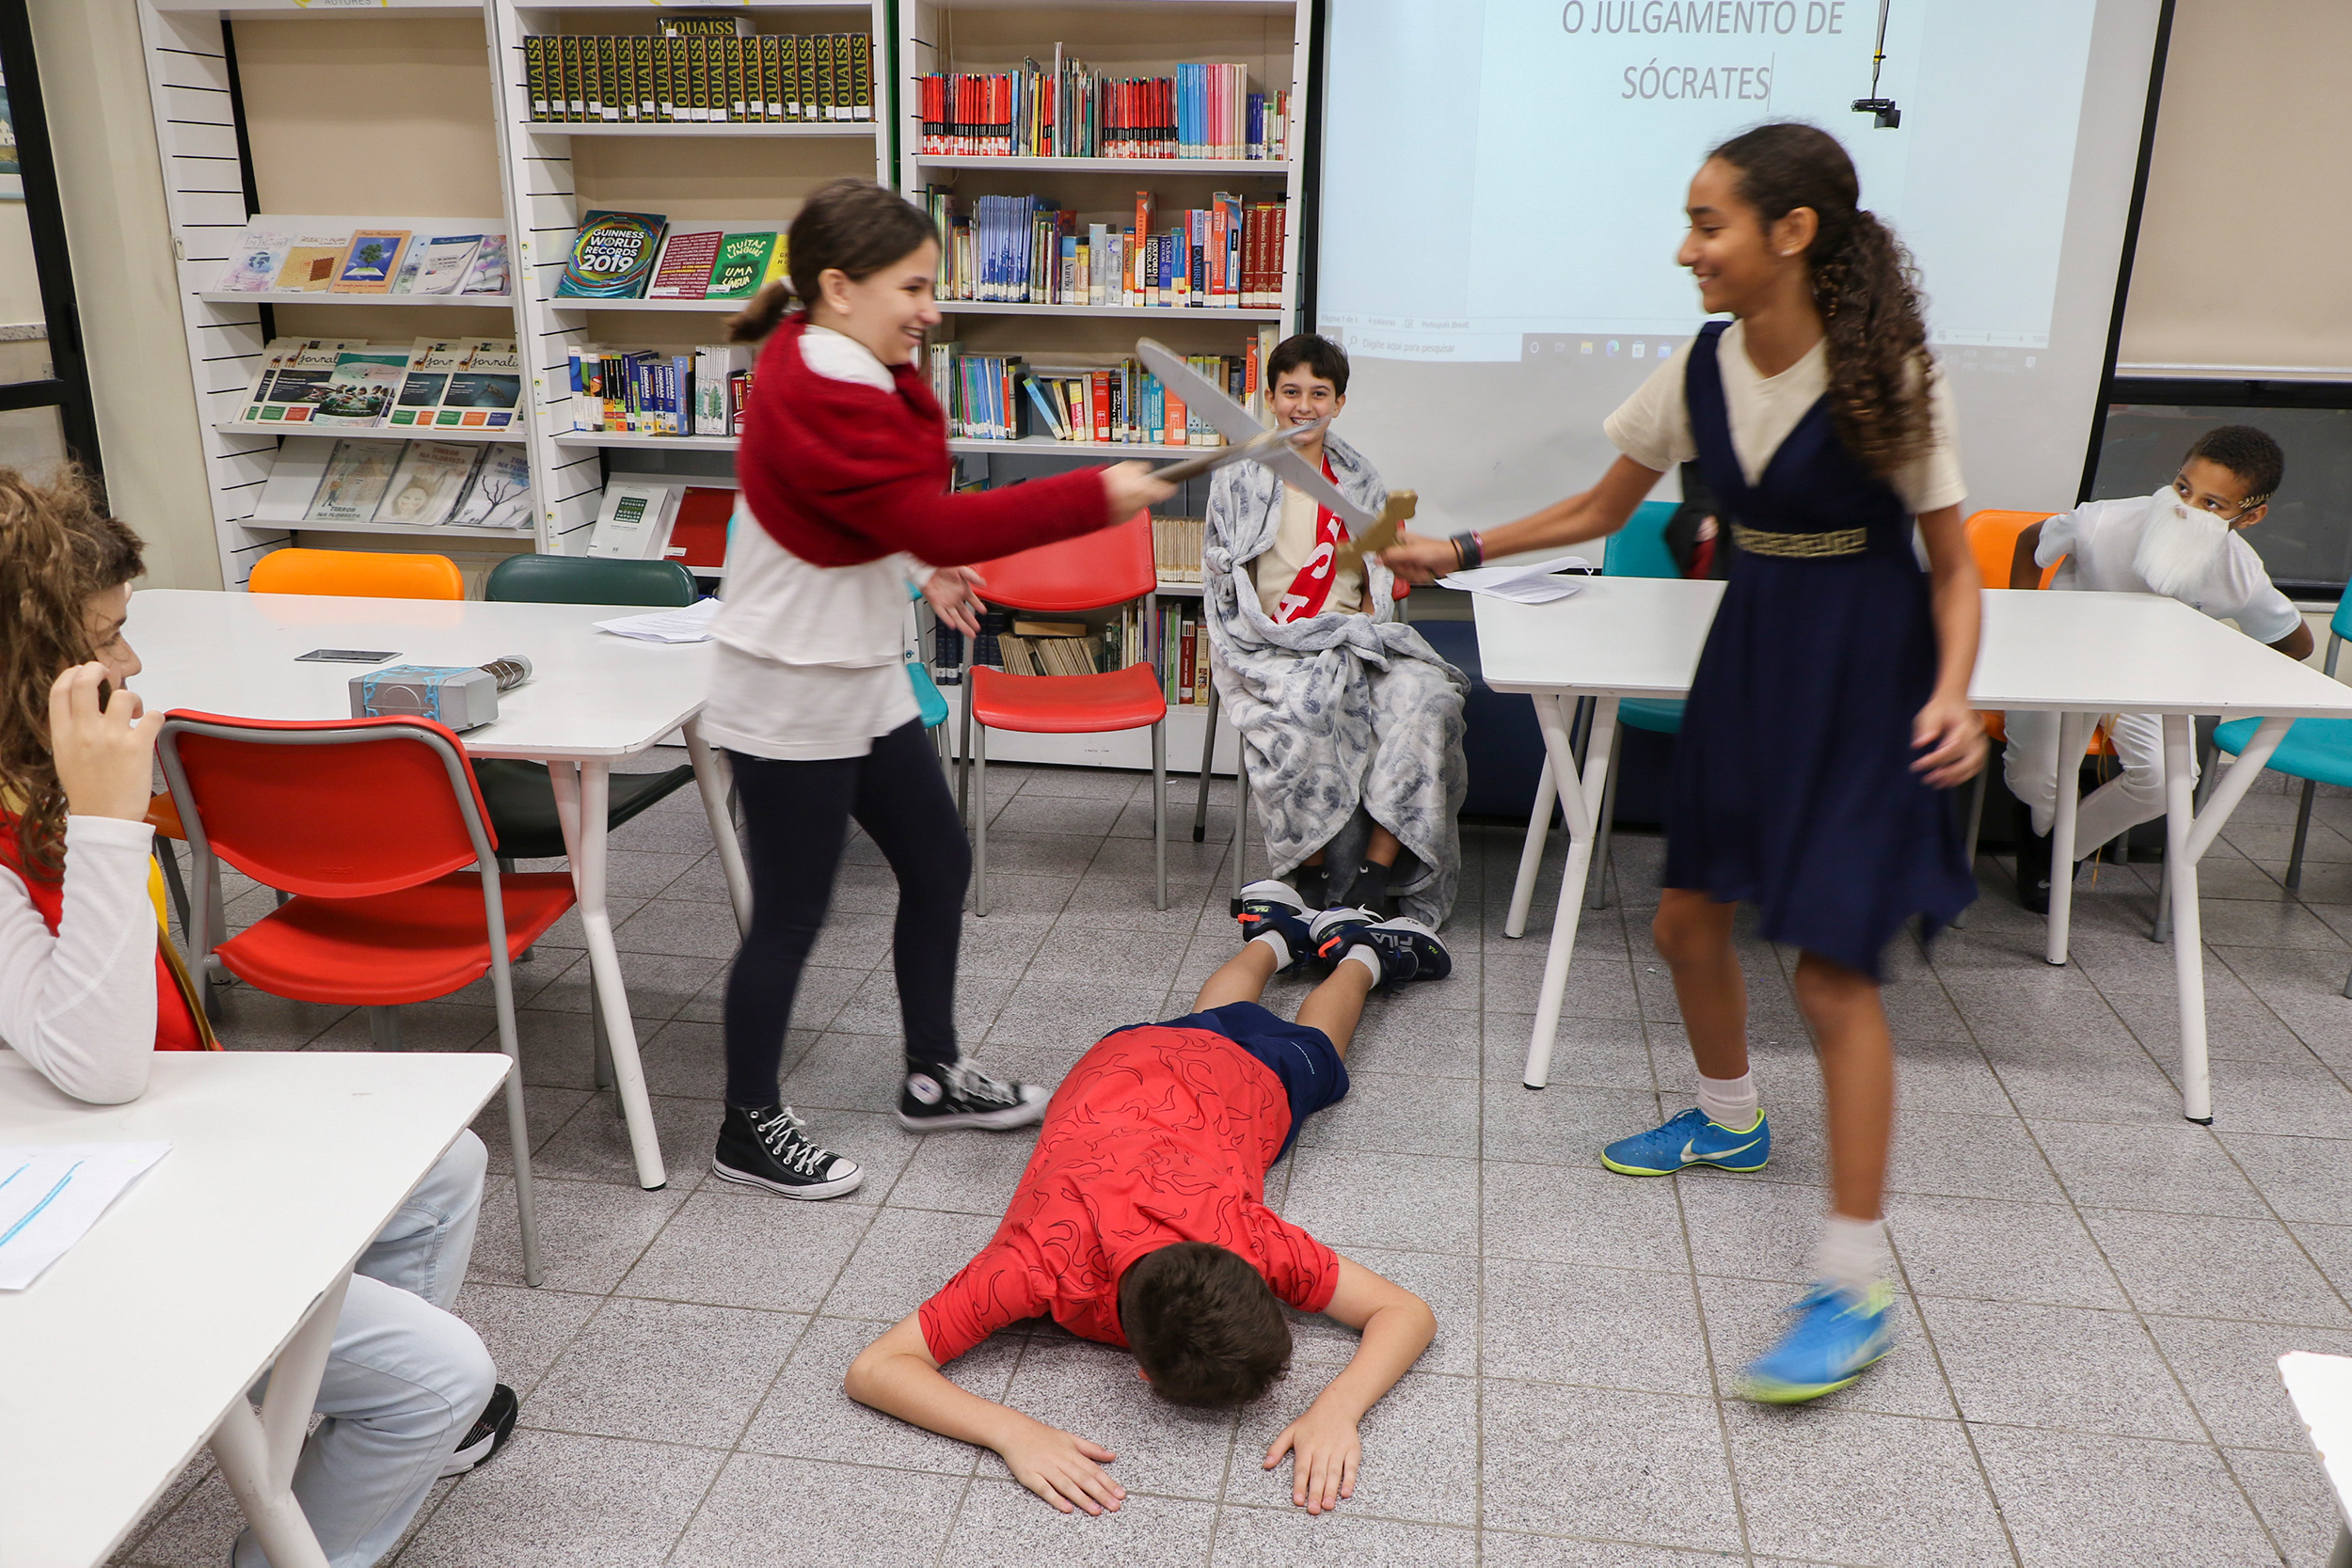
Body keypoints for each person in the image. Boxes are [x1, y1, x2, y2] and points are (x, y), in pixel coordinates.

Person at [1386, 122, 1982, 1402]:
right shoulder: (1703, 363)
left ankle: (1853, 1282)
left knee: (1831, 975)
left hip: (1865, 679)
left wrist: (1952, 691)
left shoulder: (1890, 375)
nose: (1685, 249)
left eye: (1708, 224)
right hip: (1752, 655)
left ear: (1792, 232)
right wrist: (1459, 547)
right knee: (1682, 920)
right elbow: (1599, 509)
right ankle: (1728, 1119)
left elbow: (1953, 566)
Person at [0, 467, 516, 1567]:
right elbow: (98, 1067)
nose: (132, 666)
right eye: (108, 638)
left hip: (142, 1127)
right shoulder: (46, 811)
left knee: (442, 1166)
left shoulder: (26, 782)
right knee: (444, 1378)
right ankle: (343, 1451)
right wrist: (107, 820)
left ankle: (315, 1411)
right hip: (79, 1196)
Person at [703, 179, 1174, 1198]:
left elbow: (867, 510)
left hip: (856, 668)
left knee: (937, 859)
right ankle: (747, 1123)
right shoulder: (823, 381)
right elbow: (924, 511)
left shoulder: (835, 356)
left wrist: (920, 566)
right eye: (912, 287)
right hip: (790, 684)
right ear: (839, 287)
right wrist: (1097, 492)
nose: (930, 308)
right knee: (791, 913)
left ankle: (930, 1075)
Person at [843, 897, 1437, 1515]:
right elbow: (872, 1371)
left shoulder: (1230, 1241)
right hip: (1152, 1067)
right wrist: (1011, 1433)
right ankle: (1336, 950)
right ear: (1143, 1370)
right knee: (1268, 1031)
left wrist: (1339, 1410)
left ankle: (1323, 947)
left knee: (1272, 1033)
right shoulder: (1040, 1262)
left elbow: (1408, 1313)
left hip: (1156, 1062)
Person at [1201, 332, 1469, 959]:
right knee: (1313, 705)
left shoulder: (1360, 478)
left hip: (1355, 635)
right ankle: (1315, 872)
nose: (1304, 406)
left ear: (1339, 403)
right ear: (1270, 399)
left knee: (1429, 698)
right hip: (1273, 642)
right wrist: (1272, 641)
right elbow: (1223, 583)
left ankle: (1378, 875)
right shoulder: (1238, 478)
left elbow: (1375, 577)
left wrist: (1369, 630)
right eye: (1290, 391)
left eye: (1318, 393)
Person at [2003, 425, 2311, 911]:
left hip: (2147, 679)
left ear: (2250, 516)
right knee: (2032, 778)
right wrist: (2024, 625)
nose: (2186, 508)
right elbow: (2029, 542)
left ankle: (2058, 850)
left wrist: (2207, 673)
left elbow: (2296, 644)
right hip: (2062, 663)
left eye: (2212, 504)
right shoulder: (2104, 521)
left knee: (2166, 783)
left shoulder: (2239, 573)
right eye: (2183, 488)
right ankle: (2050, 830)